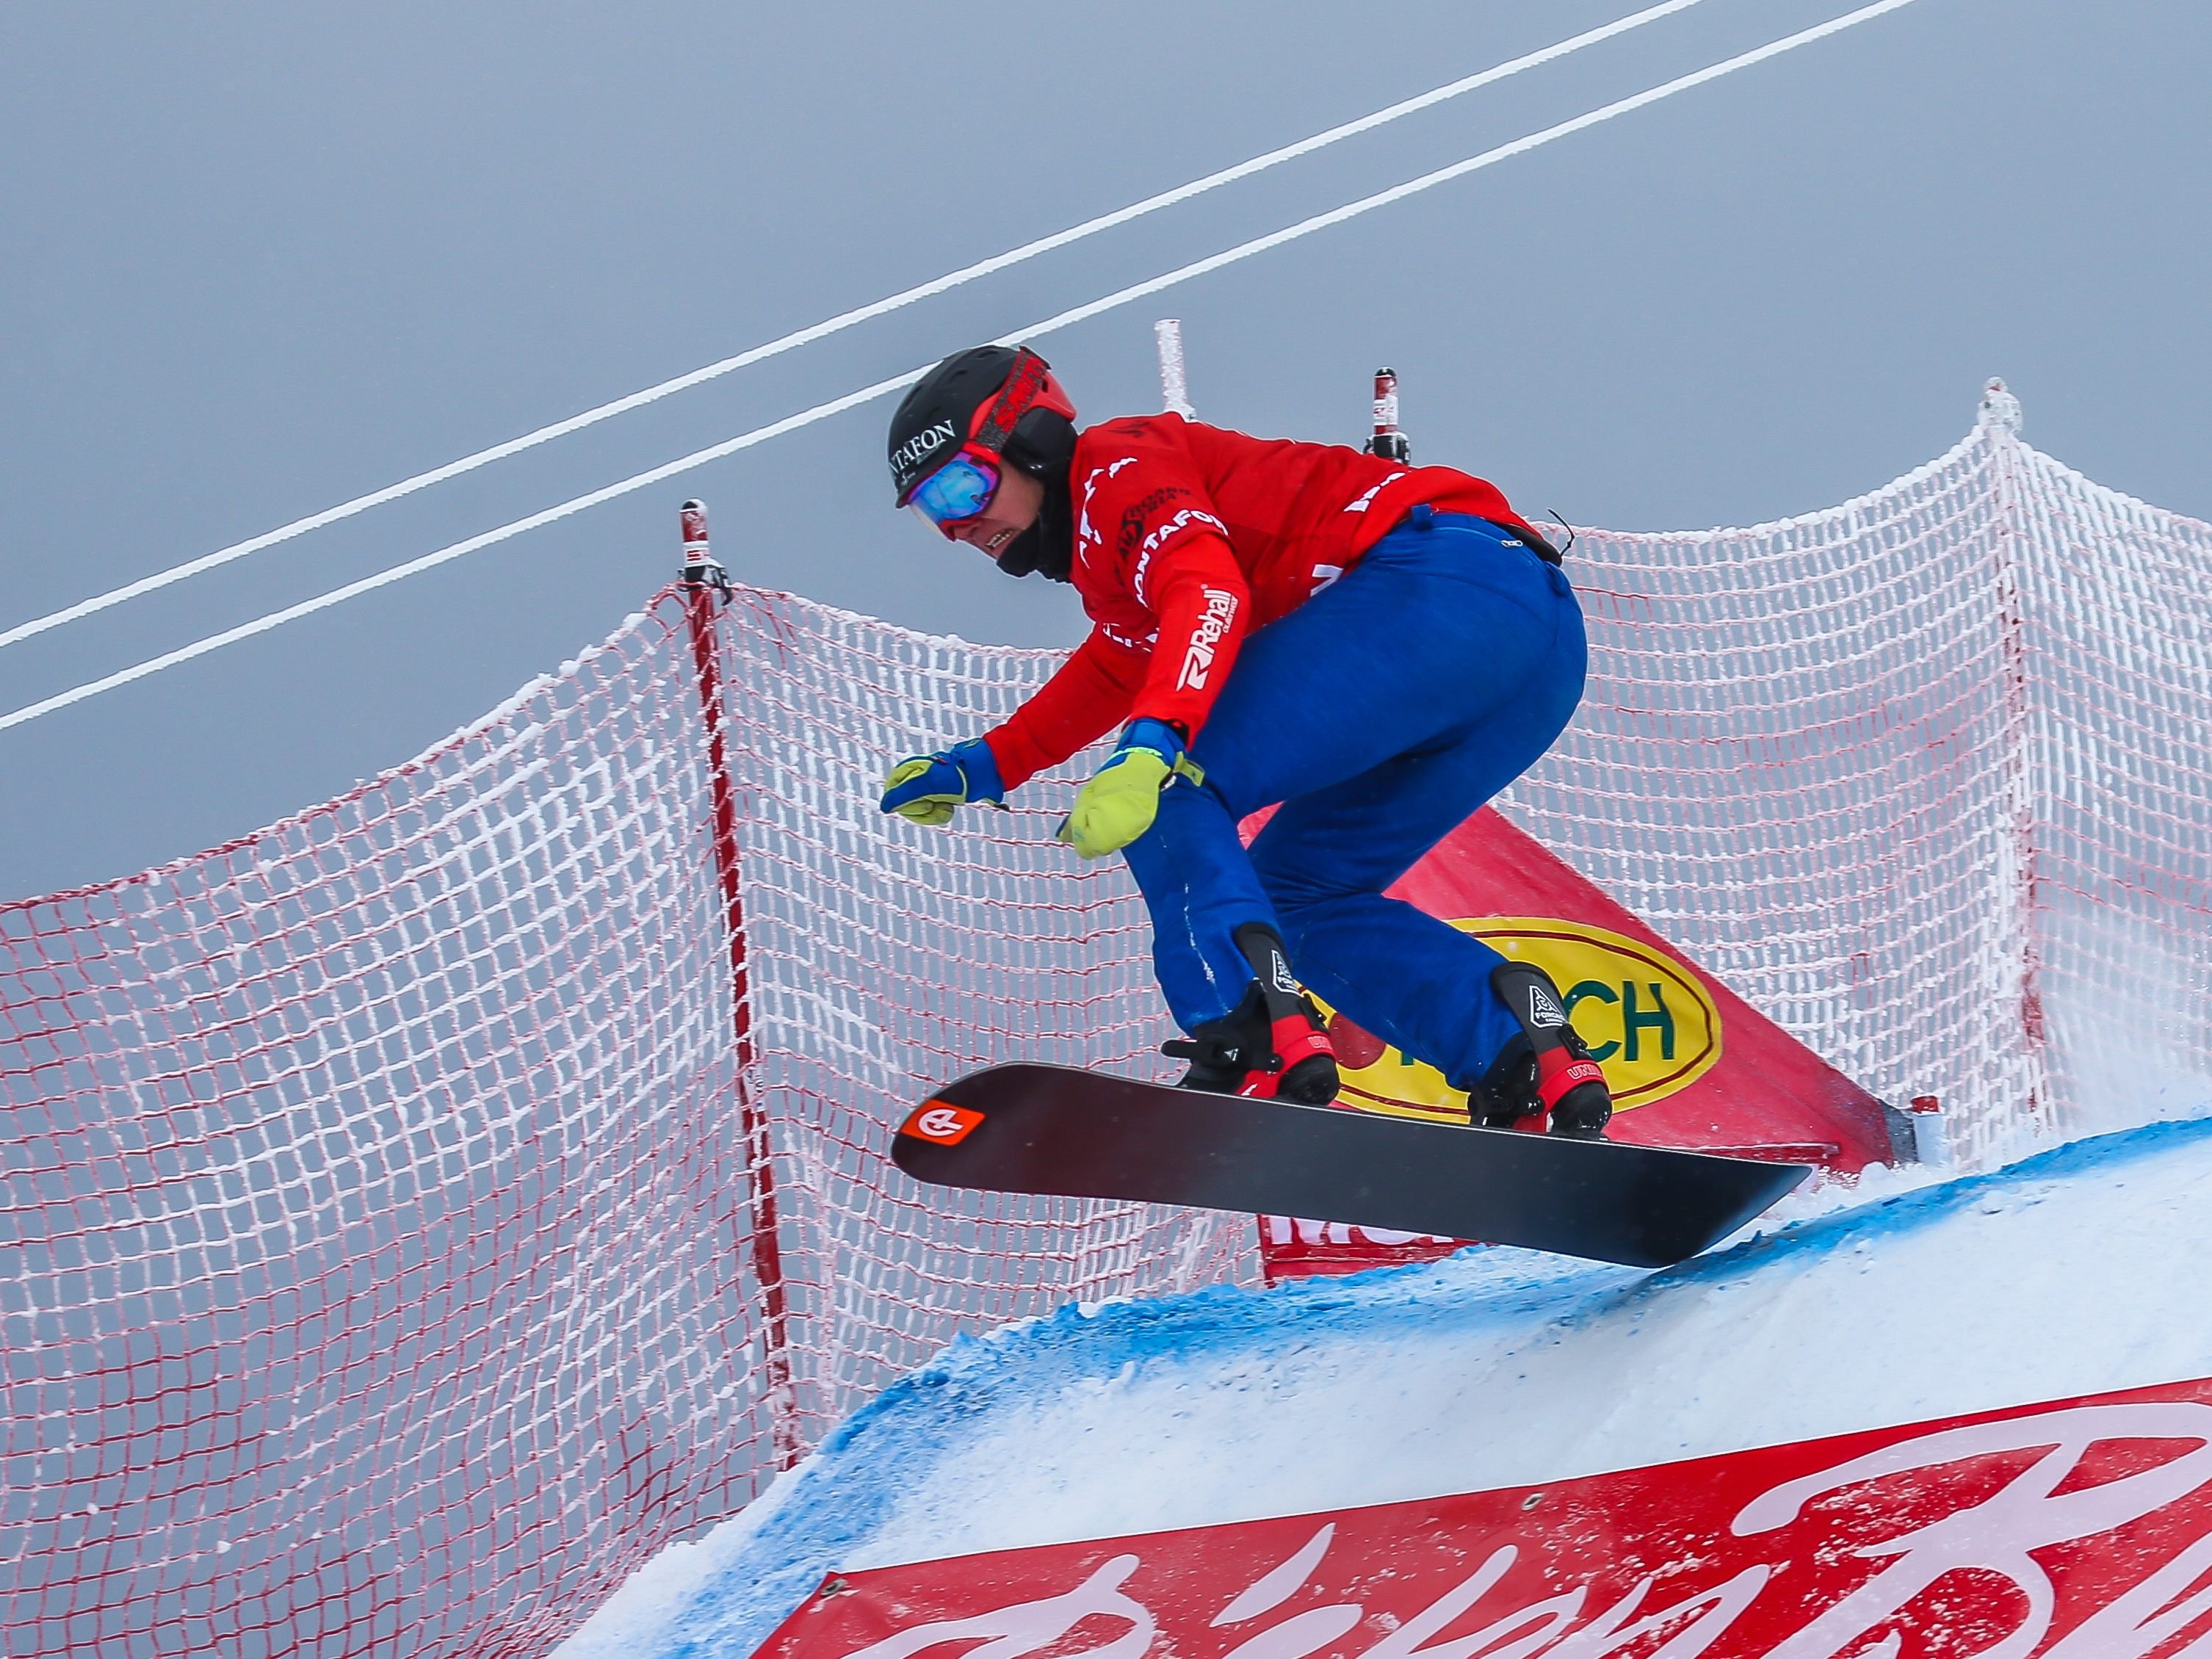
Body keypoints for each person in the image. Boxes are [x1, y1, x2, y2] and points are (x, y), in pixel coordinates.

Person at [877, 344, 1612, 1137]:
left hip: (1444, 589)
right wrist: (982, 766)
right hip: (1533, 652)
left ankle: (1249, 1036)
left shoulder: (1119, 466)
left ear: (1032, 443)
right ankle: (1523, 1058)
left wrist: (1155, 745)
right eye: (931, 513)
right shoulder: (1107, 551)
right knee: (1298, 895)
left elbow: (1206, 589)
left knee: (1168, 792)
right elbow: (1116, 663)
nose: (959, 527)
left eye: (964, 486)